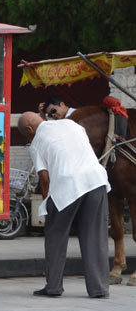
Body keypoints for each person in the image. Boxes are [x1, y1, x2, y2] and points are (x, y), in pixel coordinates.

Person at [17, 111, 110, 298]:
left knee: (55, 235)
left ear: (29, 129)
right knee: (95, 237)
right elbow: (89, 152)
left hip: (67, 186)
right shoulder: (72, 125)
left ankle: (53, 287)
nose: (29, 138)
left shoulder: (36, 143)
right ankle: (99, 288)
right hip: (95, 179)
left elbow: (44, 178)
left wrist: (47, 203)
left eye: (26, 135)